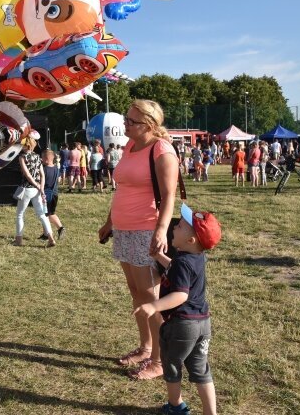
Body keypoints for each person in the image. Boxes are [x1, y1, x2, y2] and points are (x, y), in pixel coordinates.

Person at [98, 99, 179, 381]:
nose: (125, 124)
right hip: (124, 229)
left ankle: (159, 360)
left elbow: (169, 196)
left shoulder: (162, 151)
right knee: (136, 292)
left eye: (131, 121)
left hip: (146, 230)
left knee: (151, 297)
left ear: (148, 125)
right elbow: (122, 187)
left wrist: (160, 230)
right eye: (126, 118)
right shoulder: (132, 146)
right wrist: (110, 222)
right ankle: (146, 347)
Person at [134, 204, 221, 415]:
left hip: (181, 325)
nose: (174, 227)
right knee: (201, 371)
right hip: (202, 324)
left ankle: (175, 407)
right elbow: (176, 268)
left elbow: (181, 294)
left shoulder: (183, 263)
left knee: (172, 366)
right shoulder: (196, 258)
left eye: (180, 226)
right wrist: (159, 257)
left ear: (190, 240)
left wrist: (153, 306)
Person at [13, 137, 56, 247]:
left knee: (20, 214)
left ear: (26, 145)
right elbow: (42, 174)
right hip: (36, 190)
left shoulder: (22, 157)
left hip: (26, 189)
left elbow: (27, 174)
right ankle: (51, 238)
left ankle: (18, 240)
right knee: (42, 214)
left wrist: (36, 184)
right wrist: (40, 188)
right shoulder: (37, 157)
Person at [40, 149, 66, 241]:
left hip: (47, 195)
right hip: (54, 193)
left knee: (49, 214)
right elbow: (58, 180)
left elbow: (42, 182)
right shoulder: (56, 168)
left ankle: (60, 228)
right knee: (45, 214)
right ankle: (45, 234)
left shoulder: (44, 169)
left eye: (42, 158)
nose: (41, 159)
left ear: (46, 159)